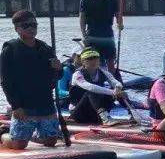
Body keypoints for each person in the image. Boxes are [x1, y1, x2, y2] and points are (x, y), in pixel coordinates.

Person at [0, 10, 63, 149]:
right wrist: (16, 106)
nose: (31, 28)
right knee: (19, 145)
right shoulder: (9, 50)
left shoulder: (46, 49)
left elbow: (57, 77)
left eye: (34, 25)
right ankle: (4, 134)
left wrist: (58, 68)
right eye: (26, 25)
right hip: (23, 105)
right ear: (17, 28)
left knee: (51, 141)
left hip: (45, 102)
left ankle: (32, 136)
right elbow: (6, 82)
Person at [67, 47, 127, 124]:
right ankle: (105, 118)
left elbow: (117, 83)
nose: (93, 61)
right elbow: (90, 87)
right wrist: (113, 92)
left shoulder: (103, 72)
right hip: (79, 113)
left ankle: (132, 114)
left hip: (94, 112)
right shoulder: (77, 74)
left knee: (119, 91)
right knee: (91, 91)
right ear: (83, 62)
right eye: (89, 59)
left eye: (95, 58)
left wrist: (118, 88)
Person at [79, 0, 123, 73]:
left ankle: (112, 83)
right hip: (91, 37)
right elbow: (82, 19)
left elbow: (118, 15)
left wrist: (120, 24)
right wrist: (84, 35)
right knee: (92, 63)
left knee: (110, 63)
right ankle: (93, 82)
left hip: (108, 37)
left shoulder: (112, 0)